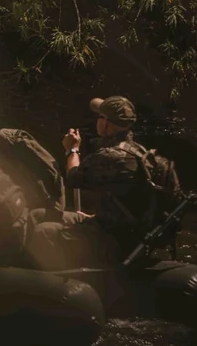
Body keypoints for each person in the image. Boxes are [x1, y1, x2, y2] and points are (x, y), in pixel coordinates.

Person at [28, 95, 167, 270]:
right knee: (38, 215)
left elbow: (73, 177)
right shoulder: (140, 152)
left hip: (113, 239)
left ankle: (53, 277)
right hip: (123, 230)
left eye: (100, 117)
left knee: (43, 232)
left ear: (106, 124)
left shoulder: (112, 156)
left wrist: (72, 149)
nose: (97, 121)